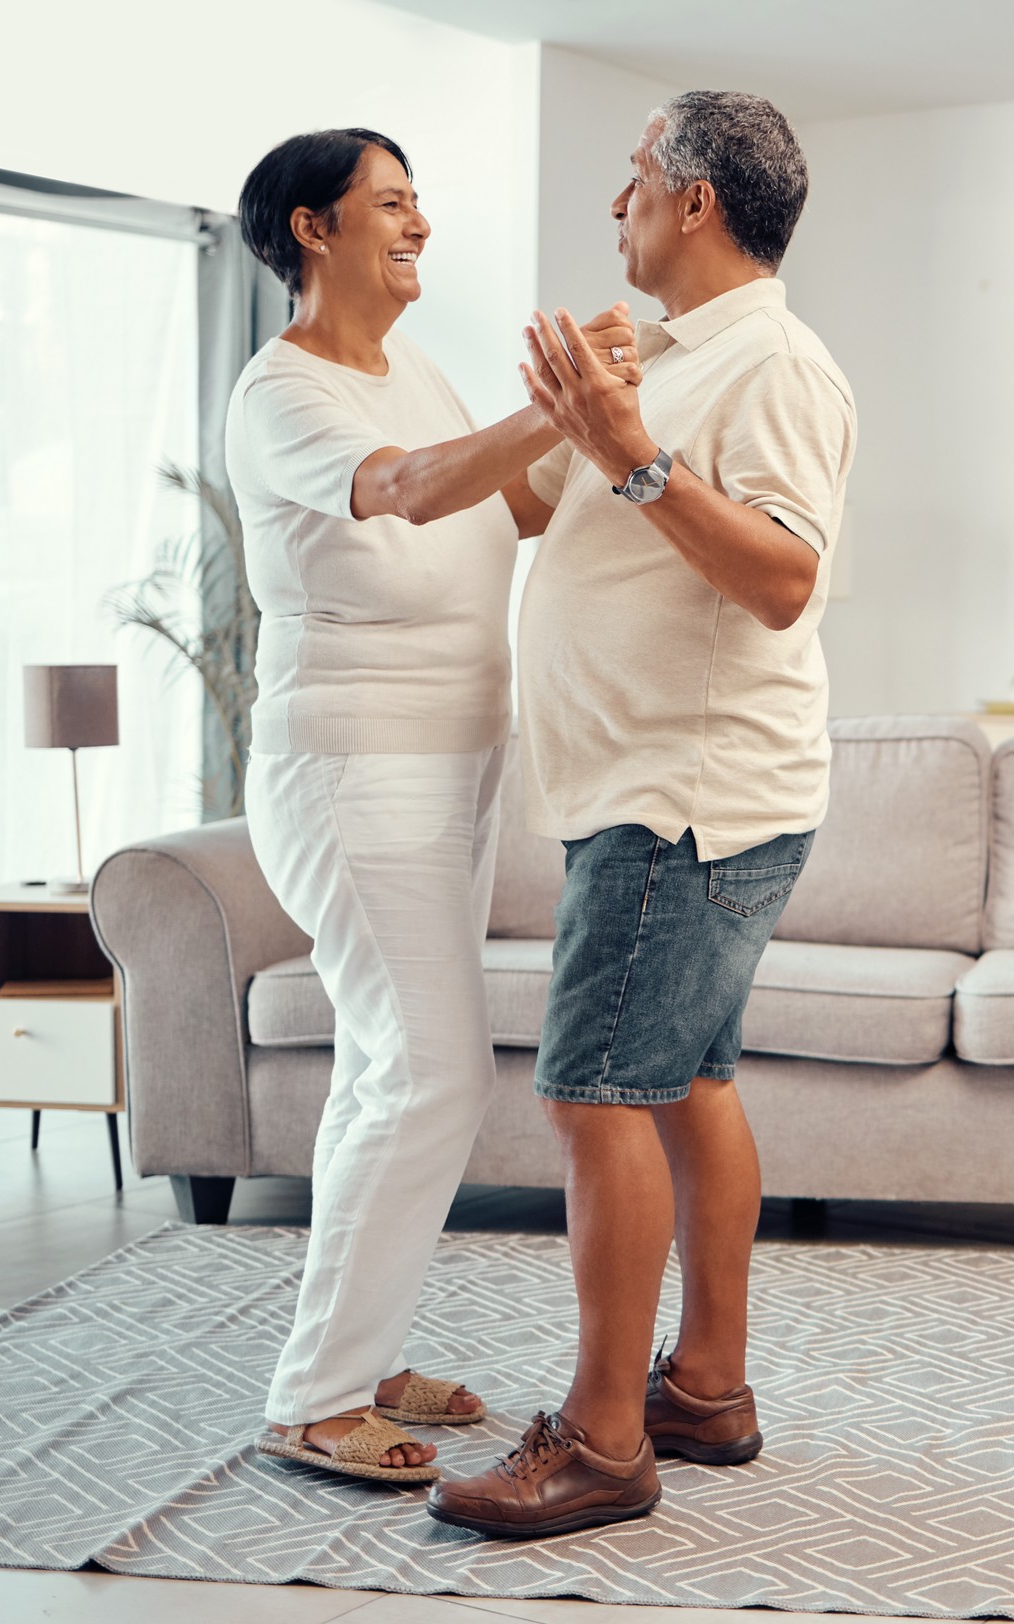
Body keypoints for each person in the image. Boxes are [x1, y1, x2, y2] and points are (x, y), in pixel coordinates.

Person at [427, 91, 856, 1537]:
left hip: (684, 800)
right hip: (659, 788)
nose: (612, 210)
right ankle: (707, 1389)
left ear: (694, 204)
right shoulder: (660, 361)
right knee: (682, 1083)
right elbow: (545, 512)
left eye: (631, 183)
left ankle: (607, 1440)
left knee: (595, 1089)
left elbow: (787, 579)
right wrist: (576, 418)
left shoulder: (780, 370)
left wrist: (630, 446)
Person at [226, 127, 638, 1485]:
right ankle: (317, 1395)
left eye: (420, 206)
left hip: (452, 763)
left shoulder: (410, 369)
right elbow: (404, 491)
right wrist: (563, 404)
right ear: (311, 229)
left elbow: (506, 501)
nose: (419, 227)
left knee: (382, 1071)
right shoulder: (281, 393)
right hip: (352, 768)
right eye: (391, 205)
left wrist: (615, 438)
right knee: (435, 1071)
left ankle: (362, 1351)